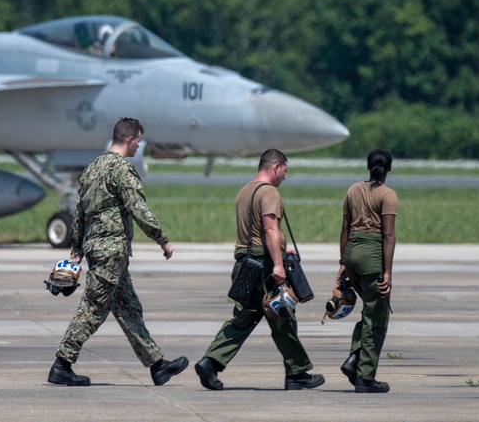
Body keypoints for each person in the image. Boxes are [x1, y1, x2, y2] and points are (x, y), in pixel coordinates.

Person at [48, 117, 189, 387]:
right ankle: (62, 364)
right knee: (94, 308)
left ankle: (158, 366)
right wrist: (162, 240)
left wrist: (76, 250)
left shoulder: (91, 169)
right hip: (111, 250)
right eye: (138, 141)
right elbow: (139, 209)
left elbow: (79, 212)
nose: (139, 146)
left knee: (129, 308)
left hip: (99, 250)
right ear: (129, 139)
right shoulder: (121, 170)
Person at [194, 149, 325, 391]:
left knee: (243, 318)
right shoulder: (269, 192)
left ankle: (209, 363)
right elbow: (269, 230)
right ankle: (296, 373)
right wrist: (277, 263)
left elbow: (254, 232)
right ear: (275, 167)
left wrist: (283, 251)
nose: (284, 177)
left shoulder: (244, 191)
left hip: (244, 265)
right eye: (284, 171)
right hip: (264, 266)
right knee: (283, 315)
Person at [336, 149, 397, 393]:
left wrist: (343, 262)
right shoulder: (388, 195)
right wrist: (388, 272)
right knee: (377, 318)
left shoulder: (353, 190)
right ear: (389, 169)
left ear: (368, 166)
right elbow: (388, 234)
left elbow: (344, 228)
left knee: (370, 311)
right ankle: (365, 377)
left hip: (351, 253)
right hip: (371, 256)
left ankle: (354, 360)